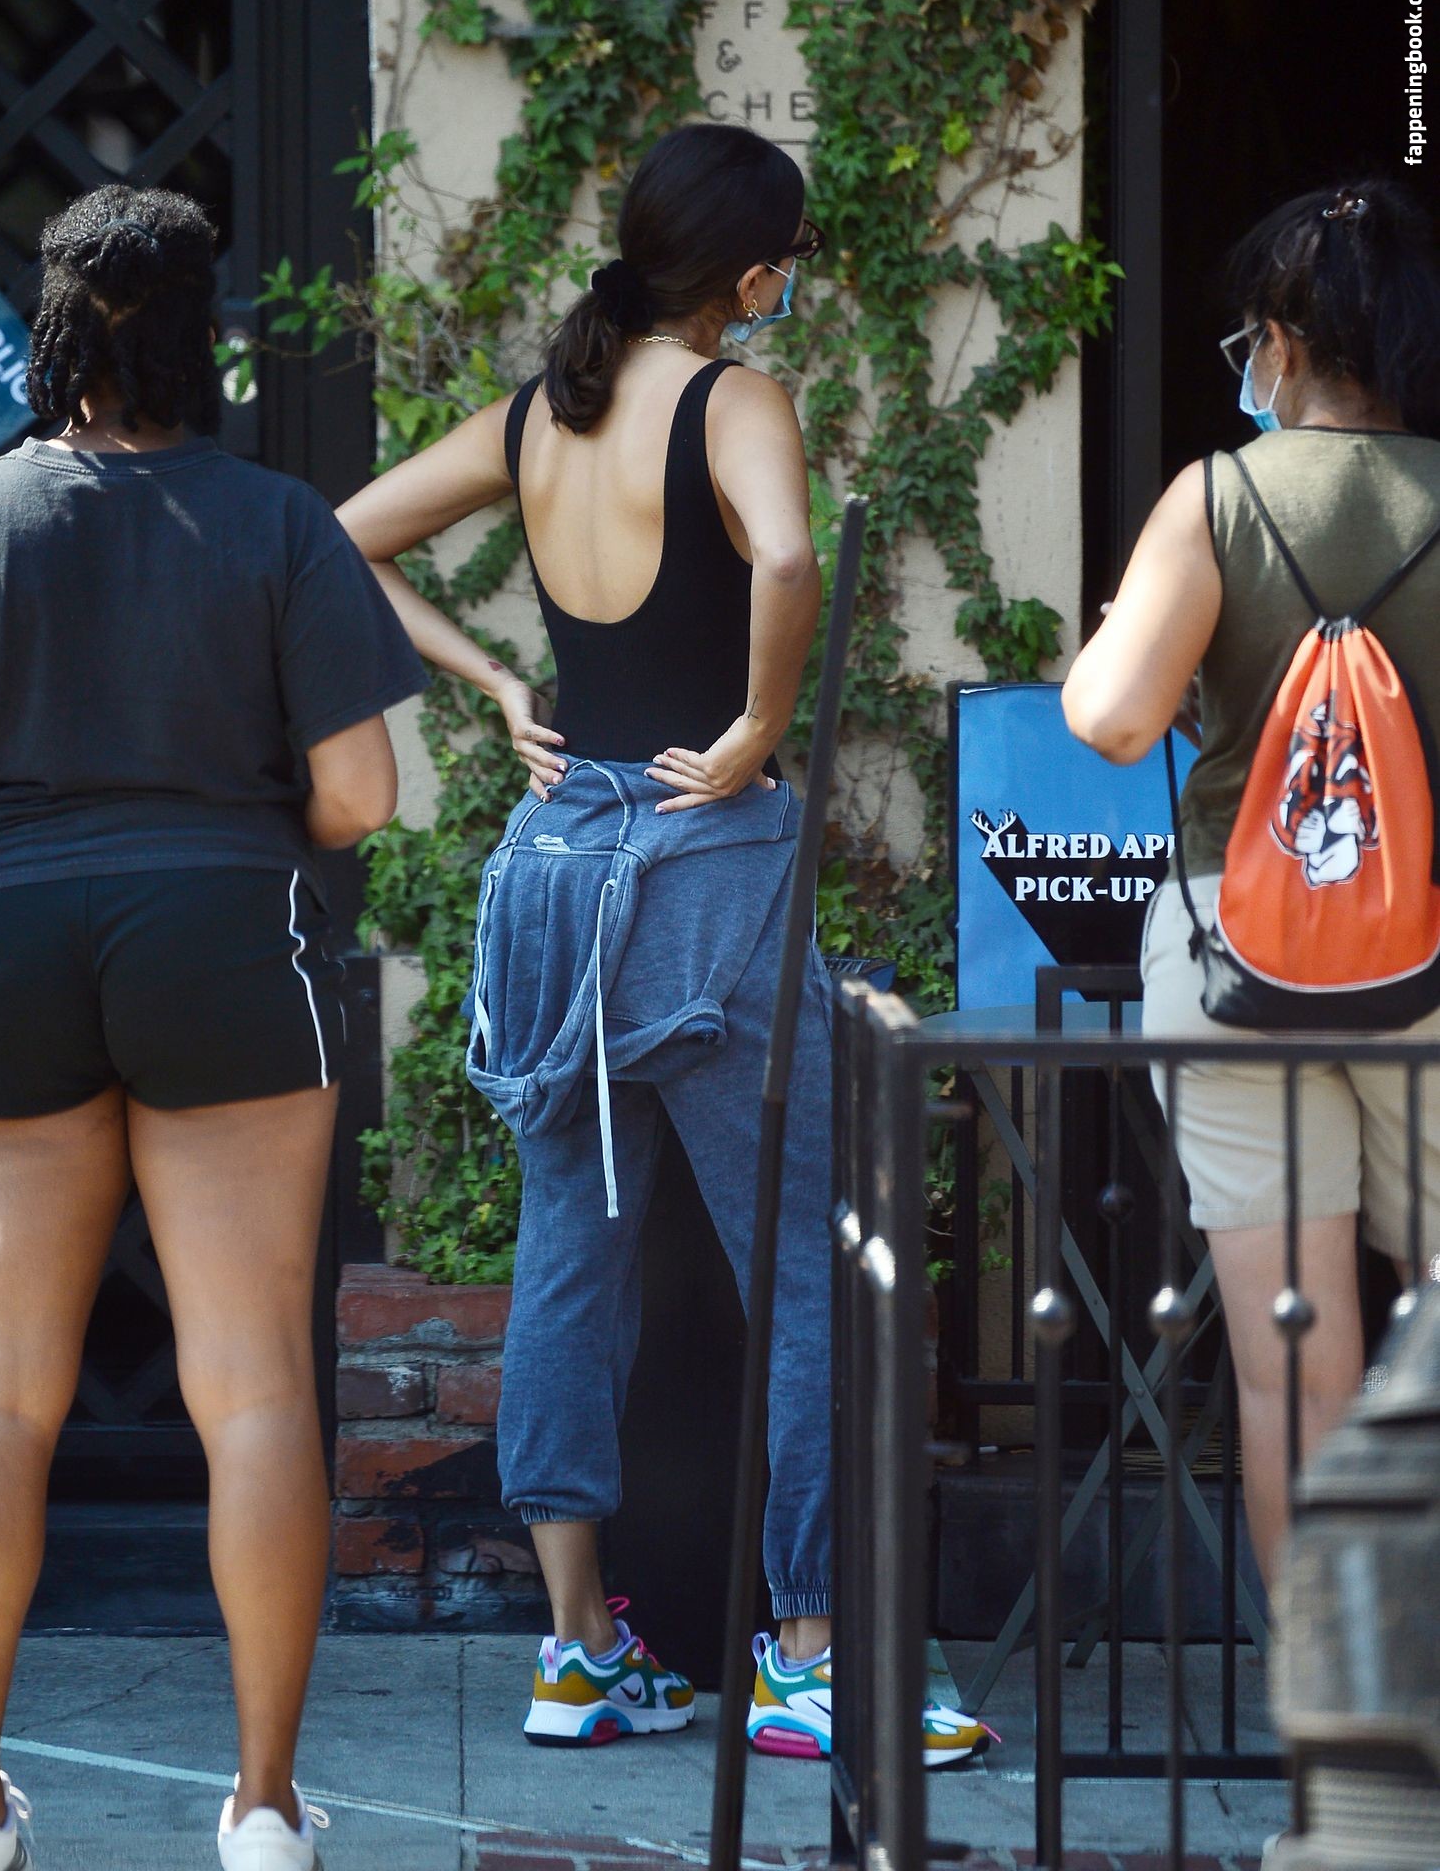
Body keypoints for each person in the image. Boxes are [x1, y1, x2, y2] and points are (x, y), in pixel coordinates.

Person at [339, 122, 990, 1770]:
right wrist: (762, 725)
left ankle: (577, 1652)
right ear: (754, 275)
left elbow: (336, 539)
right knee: (805, 1260)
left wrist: (496, 682)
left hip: (558, 866)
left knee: (569, 1262)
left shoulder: (541, 410)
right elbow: (788, 553)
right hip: (704, 867)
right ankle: (810, 1658)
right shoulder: (732, 401)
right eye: (789, 266)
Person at [0, 186, 427, 1871]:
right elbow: (360, 794)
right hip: (222, 932)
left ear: (55, 328)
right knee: (253, 1386)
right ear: (205, 333)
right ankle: (266, 1809)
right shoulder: (279, 522)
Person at [1062, 179, 1440, 1586]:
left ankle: (1321, 1703)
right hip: (1431, 948)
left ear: (1278, 341)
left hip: (1238, 949)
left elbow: (1110, 719)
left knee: (1294, 1356)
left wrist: (1141, 636)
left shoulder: (1217, 498)